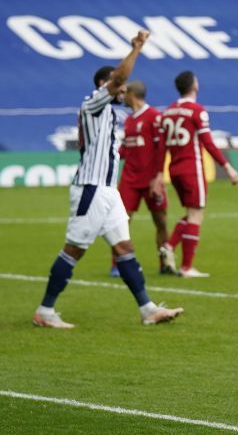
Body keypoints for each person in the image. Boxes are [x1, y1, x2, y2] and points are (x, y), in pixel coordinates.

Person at [33, 30, 183, 329]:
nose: (124, 87)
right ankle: (45, 311)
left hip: (107, 191)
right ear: (105, 84)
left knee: (124, 248)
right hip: (91, 189)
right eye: (119, 83)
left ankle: (147, 309)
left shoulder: (110, 114)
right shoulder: (93, 102)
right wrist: (137, 48)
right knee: (74, 249)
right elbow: (118, 78)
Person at [157, 71, 238, 279]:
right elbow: (207, 142)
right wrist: (227, 166)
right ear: (194, 85)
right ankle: (186, 267)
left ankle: (169, 246)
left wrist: (160, 172)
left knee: (191, 213)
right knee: (196, 214)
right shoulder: (197, 111)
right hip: (191, 168)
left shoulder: (168, 111)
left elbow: (162, 146)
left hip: (174, 169)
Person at [110, 80, 172, 278]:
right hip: (130, 179)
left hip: (151, 179)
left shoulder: (154, 117)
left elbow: (161, 147)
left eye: (124, 93)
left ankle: (165, 262)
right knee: (120, 221)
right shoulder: (129, 120)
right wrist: (110, 157)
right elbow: (126, 149)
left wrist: (159, 176)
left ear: (132, 94)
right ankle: (118, 264)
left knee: (161, 221)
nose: (122, 97)